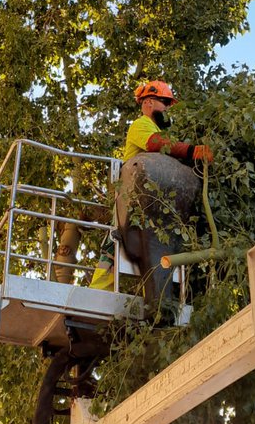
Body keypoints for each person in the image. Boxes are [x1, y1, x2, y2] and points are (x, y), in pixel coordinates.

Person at [90, 80, 213, 289]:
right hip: (132, 202)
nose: (167, 108)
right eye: (164, 102)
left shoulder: (162, 132)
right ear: (148, 102)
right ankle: (95, 295)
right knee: (117, 247)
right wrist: (193, 151)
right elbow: (154, 144)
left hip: (150, 205)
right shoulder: (142, 125)